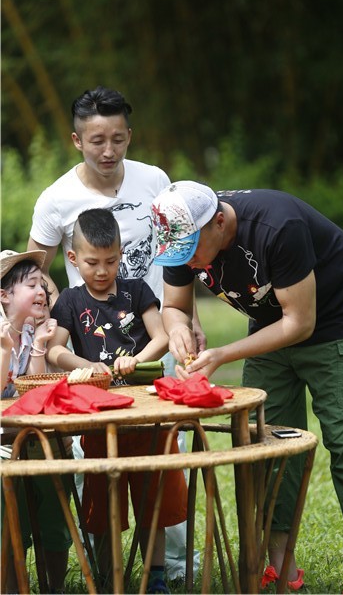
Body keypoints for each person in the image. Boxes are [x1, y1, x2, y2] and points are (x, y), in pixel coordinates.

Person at [150, 180, 343, 595]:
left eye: (192, 252)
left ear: (221, 224)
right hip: (268, 324)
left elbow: (301, 322)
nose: (187, 262)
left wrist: (225, 353)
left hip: (335, 322)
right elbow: (174, 306)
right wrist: (177, 331)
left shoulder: (278, 226)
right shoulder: (181, 233)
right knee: (267, 441)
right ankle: (282, 567)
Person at [26, 85, 202, 579]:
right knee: (98, 461)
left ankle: (167, 572)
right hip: (91, 361)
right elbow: (33, 275)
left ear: (130, 136)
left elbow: (179, 253)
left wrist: (188, 318)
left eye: (119, 139)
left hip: (152, 338)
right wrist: (58, 329)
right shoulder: (55, 198)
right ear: (77, 140)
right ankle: (108, 573)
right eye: (97, 140)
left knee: (165, 457)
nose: (109, 151)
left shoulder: (155, 181)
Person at [47, 208, 188, 593]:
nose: (102, 270)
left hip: (146, 410)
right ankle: (111, 578)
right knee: (102, 497)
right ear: (73, 258)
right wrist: (87, 365)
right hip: (97, 414)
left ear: (121, 253)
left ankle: (155, 576)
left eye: (111, 261)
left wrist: (136, 360)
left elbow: (159, 337)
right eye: (92, 262)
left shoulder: (137, 291)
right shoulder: (71, 302)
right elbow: (55, 351)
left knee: (152, 495)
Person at [0, 249, 71, 594]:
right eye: (32, 284)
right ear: (4, 296)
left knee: (54, 497)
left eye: (43, 284)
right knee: (9, 518)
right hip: (3, 441)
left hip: (28, 434)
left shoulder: (30, 334)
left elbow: (34, 390)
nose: (43, 291)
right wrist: (3, 349)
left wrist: (41, 347)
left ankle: (52, 587)